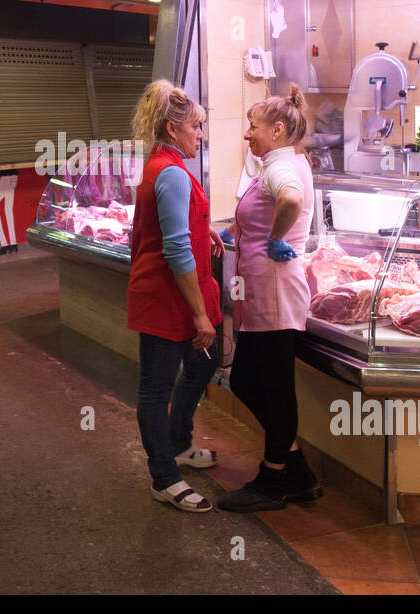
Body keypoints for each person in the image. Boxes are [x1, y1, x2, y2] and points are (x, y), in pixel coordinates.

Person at [218, 84, 323, 512]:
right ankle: (297, 473)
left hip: (276, 293)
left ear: (277, 130)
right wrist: (232, 234)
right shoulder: (286, 159)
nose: (248, 134)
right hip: (263, 294)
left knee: (276, 390)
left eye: (253, 127)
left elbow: (291, 199)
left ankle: (272, 481)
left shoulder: (280, 165)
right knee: (244, 380)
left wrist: (277, 237)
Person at [127, 80, 224, 512]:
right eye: (196, 128)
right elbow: (175, 247)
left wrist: (208, 229)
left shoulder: (168, 166)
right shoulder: (169, 171)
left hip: (181, 294)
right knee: (155, 388)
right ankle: (164, 477)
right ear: (172, 129)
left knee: (205, 364)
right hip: (167, 299)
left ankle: (180, 442)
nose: (200, 135)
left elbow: (181, 226)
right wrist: (200, 315)